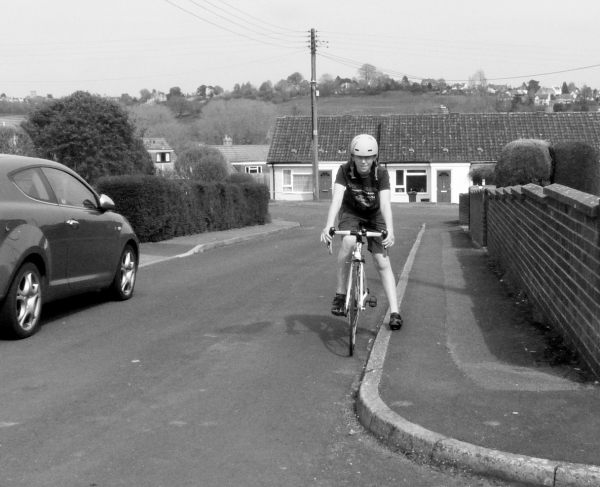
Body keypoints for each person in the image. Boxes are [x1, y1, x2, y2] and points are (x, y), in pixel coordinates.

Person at [320, 134, 403, 331]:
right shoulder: (344, 171)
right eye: (359, 157)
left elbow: (385, 204)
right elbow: (337, 200)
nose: (364, 161)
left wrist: (390, 230)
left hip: (375, 216)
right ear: (352, 157)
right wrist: (328, 225)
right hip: (352, 213)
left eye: (369, 157)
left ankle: (395, 312)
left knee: (382, 261)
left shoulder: (380, 174)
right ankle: (341, 295)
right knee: (348, 241)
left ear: (375, 157)